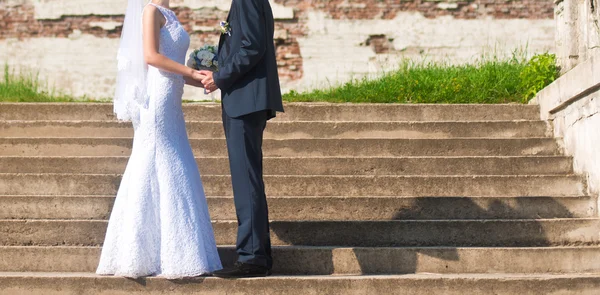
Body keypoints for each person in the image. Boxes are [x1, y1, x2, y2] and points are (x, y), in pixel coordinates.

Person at [96, 0, 222, 278]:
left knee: (174, 161)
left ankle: (170, 248)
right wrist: (190, 72)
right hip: (156, 97)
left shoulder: (169, 13)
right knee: (155, 158)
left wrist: (202, 78)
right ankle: (137, 252)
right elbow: (151, 57)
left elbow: (171, 63)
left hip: (171, 92)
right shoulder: (150, 11)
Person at [200, 0, 285, 278]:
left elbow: (251, 46)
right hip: (248, 100)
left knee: (246, 179)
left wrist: (219, 77)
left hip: (245, 100)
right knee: (248, 178)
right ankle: (258, 253)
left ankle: (252, 258)